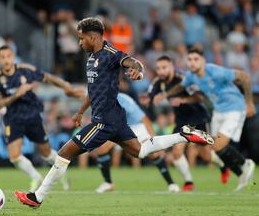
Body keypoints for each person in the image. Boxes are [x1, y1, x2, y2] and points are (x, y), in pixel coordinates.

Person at [14, 17, 213, 208]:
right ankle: (184, 135)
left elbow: (133, 62)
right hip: (115, 118)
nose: (80, 42)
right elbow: (93, 91)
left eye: (82, 38)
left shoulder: (111, 53)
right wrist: (81, 112)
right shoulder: (91, 57)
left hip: (104, 121)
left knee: (65, 152)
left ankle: (37, 197)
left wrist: (139, 70)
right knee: (141, 151)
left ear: (93, 37)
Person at [154, 47, 256, 191]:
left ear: (203, 61)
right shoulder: (191, 76)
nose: (192, 63)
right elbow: (179, 87)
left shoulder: (214, 71)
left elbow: (244, 76)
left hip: (234, 108)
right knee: (214, 147)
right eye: (189, 60)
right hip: (218, 111)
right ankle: (240, 173)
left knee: (219, 145)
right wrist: (165, 95)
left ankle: (245, 163)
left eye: (196, 59)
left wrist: (249, 102)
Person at [0, 45, 83, 192]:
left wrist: (67, 87)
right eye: (2, 57)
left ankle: (62, 174)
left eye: (8, 56)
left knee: (46, 153)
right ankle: (36, 177)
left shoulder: (25, 70)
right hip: (12, 118)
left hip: (32, 115)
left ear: (13, 57)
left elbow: (48, 77)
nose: (6, 60)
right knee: (14, 157)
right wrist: (17, 94)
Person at [151, 55, 229, 190]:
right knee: (177, 151)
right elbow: (150, 96)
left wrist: (183, 100)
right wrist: (150, 99)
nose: (161, 71)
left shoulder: (183, 79)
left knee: (205, 154)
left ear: (171, 67)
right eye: (158, 68)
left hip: (198, 117)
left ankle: (223, 166)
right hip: (181, 120)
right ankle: (189, 182)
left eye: (164, 67)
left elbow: (200, 97)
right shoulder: (159, 83)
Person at [92, 92, 180, 194]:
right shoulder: (102, 96)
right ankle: (108, 183)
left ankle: (171, 184)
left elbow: (144, 119)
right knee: (102, 149)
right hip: (118, 127)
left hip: (136, 127)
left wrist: (154, 139)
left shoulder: (123, 99)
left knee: (153, 154)